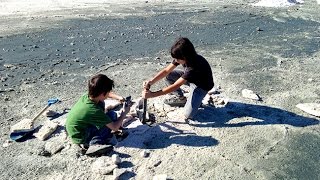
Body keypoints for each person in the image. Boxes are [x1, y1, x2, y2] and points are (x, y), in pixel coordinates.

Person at [142, 37, 214, 121]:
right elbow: (166, 71)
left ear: (185, 56)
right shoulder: (183, 57)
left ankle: (196, 100)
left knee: (188, 115)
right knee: (169, 76)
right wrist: (151, 82)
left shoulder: (193, 67)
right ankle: (181, 99)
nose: (175, 61)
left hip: (201, 87)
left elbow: (175, 86)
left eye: (177, 59)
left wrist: (152, 95)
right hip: (191, 79)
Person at [66, 74, 131, 156]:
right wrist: (124, 113)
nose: (108, 95)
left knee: (109, 112)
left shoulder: (89, 95)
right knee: (110, 122)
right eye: (107, 93)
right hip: (81, 136)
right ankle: (94, 144)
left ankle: (93, 138)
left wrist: (118, 97)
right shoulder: (94, 110)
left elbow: (106, 94)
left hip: (75, 129)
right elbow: (115, 127)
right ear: (102, 93)